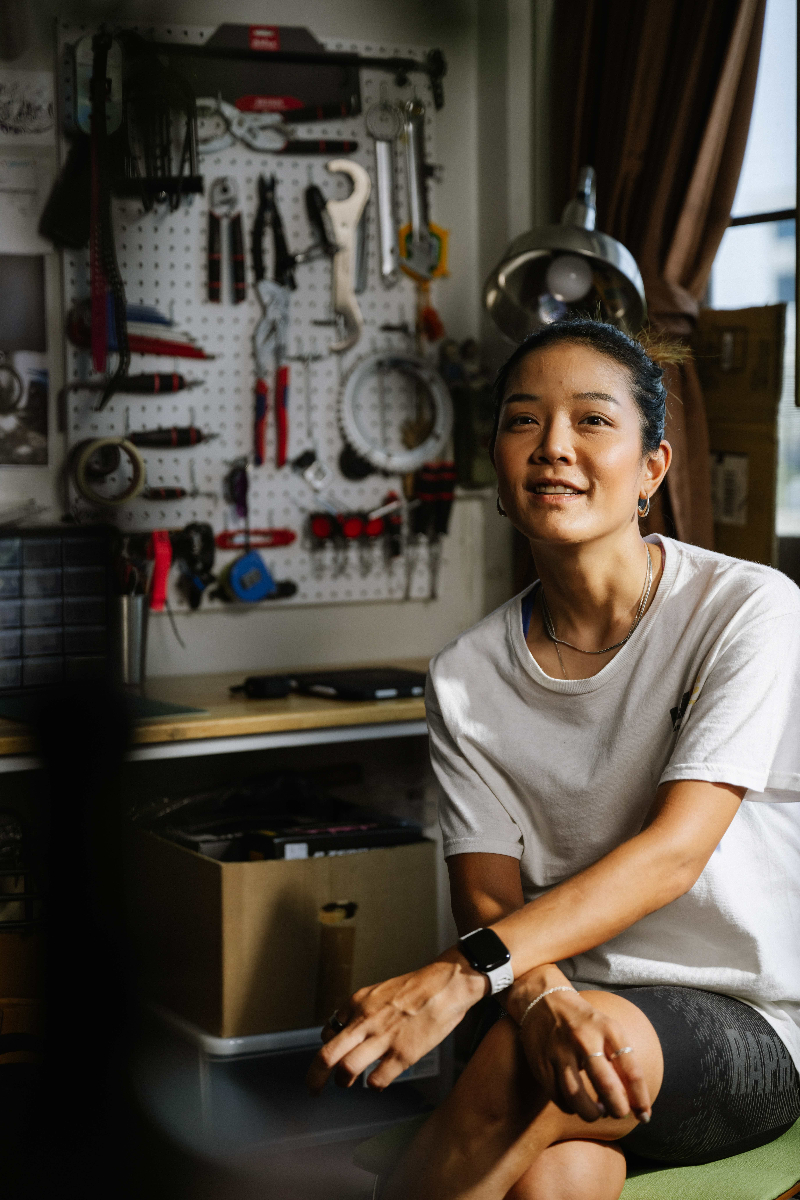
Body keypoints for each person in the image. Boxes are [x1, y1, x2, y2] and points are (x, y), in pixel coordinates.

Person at [307, 319, 800, 1200]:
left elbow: (674, 853)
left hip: (744, 1021)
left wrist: (465, 978)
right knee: (552, 1180)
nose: (553, 448)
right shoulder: (466, 674)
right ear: (495, 464)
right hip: (540, 1002)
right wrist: (536, 999)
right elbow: (488, 895)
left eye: (593, 420)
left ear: (653, 468)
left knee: (540, 1065)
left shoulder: (747, 610)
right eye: (523, 421)